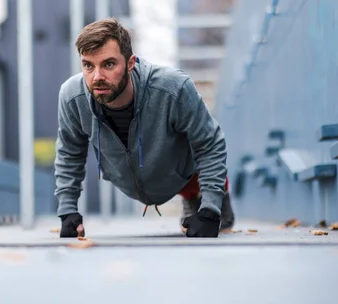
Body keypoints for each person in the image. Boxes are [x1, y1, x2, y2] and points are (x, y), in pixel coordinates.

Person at [54, 18, 235, 238]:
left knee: (196, 150)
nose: (97, 76)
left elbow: (210, 143)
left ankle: (199, 197)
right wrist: (67, 211)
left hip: (181, 170)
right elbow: (69, 153)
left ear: (131, 63)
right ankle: (193, 199)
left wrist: (210, 211)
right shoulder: (72, 96)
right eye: (88, 65)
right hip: (132, 179)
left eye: (109, 64)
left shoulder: (173, 88)